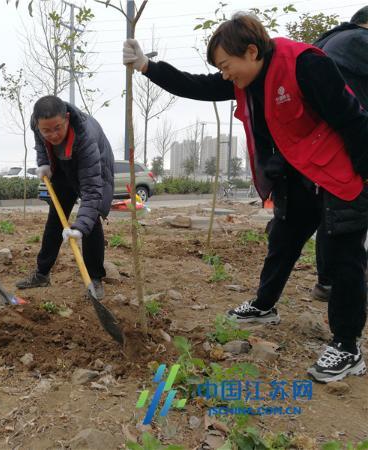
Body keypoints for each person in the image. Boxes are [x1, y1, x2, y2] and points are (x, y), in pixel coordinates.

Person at [123, 13, 368, 382]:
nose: (224, 74)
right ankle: (264, 306)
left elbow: (353, 120)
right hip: (299, 171)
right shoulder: (249, 77)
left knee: (343, 256)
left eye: (226, 65)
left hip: (340, 170)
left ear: (251, 51)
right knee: (282, 238)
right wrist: (146, 66)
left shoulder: (306, 65)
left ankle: (347, 345)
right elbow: (199, 86)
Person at [15, 95, 115, 299]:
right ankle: (42, 273)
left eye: (58, 127)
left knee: (91, 221)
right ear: (37, 123)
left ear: (67, 118)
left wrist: (80, 226)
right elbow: (41, 145)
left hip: (94, 166)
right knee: (55, 218)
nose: (52, 134)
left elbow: (92, 190)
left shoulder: (86, 138)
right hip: (63, 165)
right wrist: (43, 163)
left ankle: (94, 278)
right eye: (46, 130)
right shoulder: (37, 125)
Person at [312, 6, 368, 301]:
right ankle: (339, 284)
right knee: (349, 218)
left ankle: (329, 280)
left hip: (324, 145)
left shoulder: (328, 41)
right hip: (352, 141)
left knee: (334, 215)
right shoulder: (358, 41)